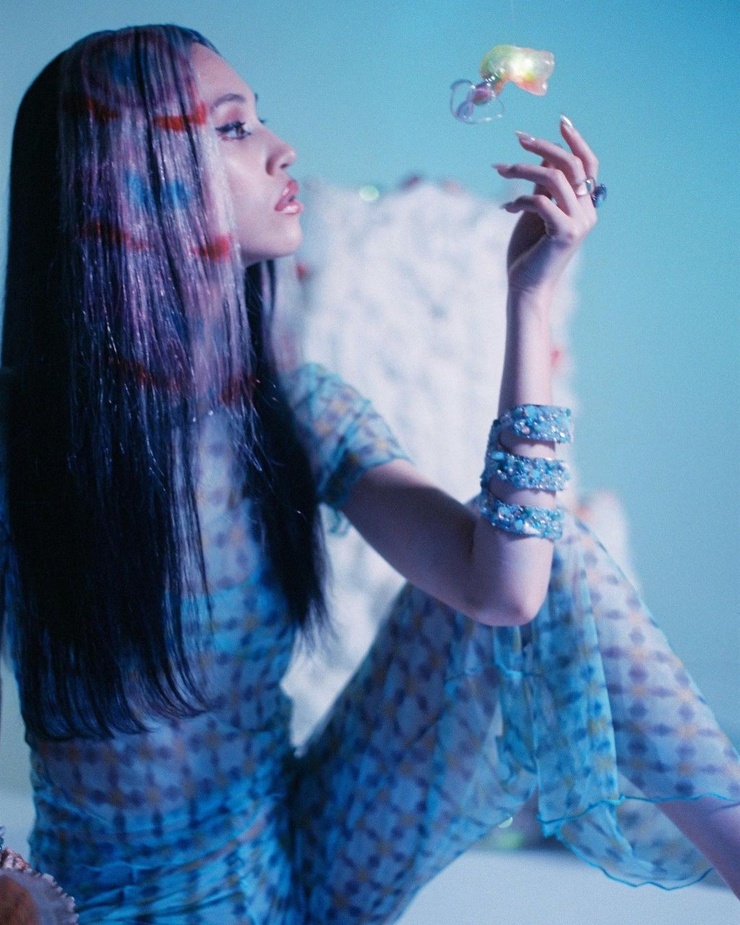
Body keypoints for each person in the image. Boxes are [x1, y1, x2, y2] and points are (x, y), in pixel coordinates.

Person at [0, 24, 738, 924]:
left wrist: (529, 298)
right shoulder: (19, 447)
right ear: (130, 175)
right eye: (233, 128)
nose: (283, 148)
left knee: (562, 554)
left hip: (304, 867)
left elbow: (506, 590)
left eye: (260, 119)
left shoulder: (297, 411)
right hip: (102, 903)